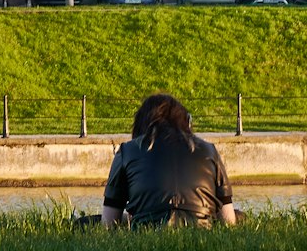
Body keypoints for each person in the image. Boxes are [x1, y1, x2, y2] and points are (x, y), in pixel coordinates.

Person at [102, 93, 238, 229]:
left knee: (86, 221)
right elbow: (229, 220)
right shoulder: (209, 150)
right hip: (200, 227)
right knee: (240, 215)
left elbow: (108, 222)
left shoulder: (127, 151)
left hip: (148, 228)